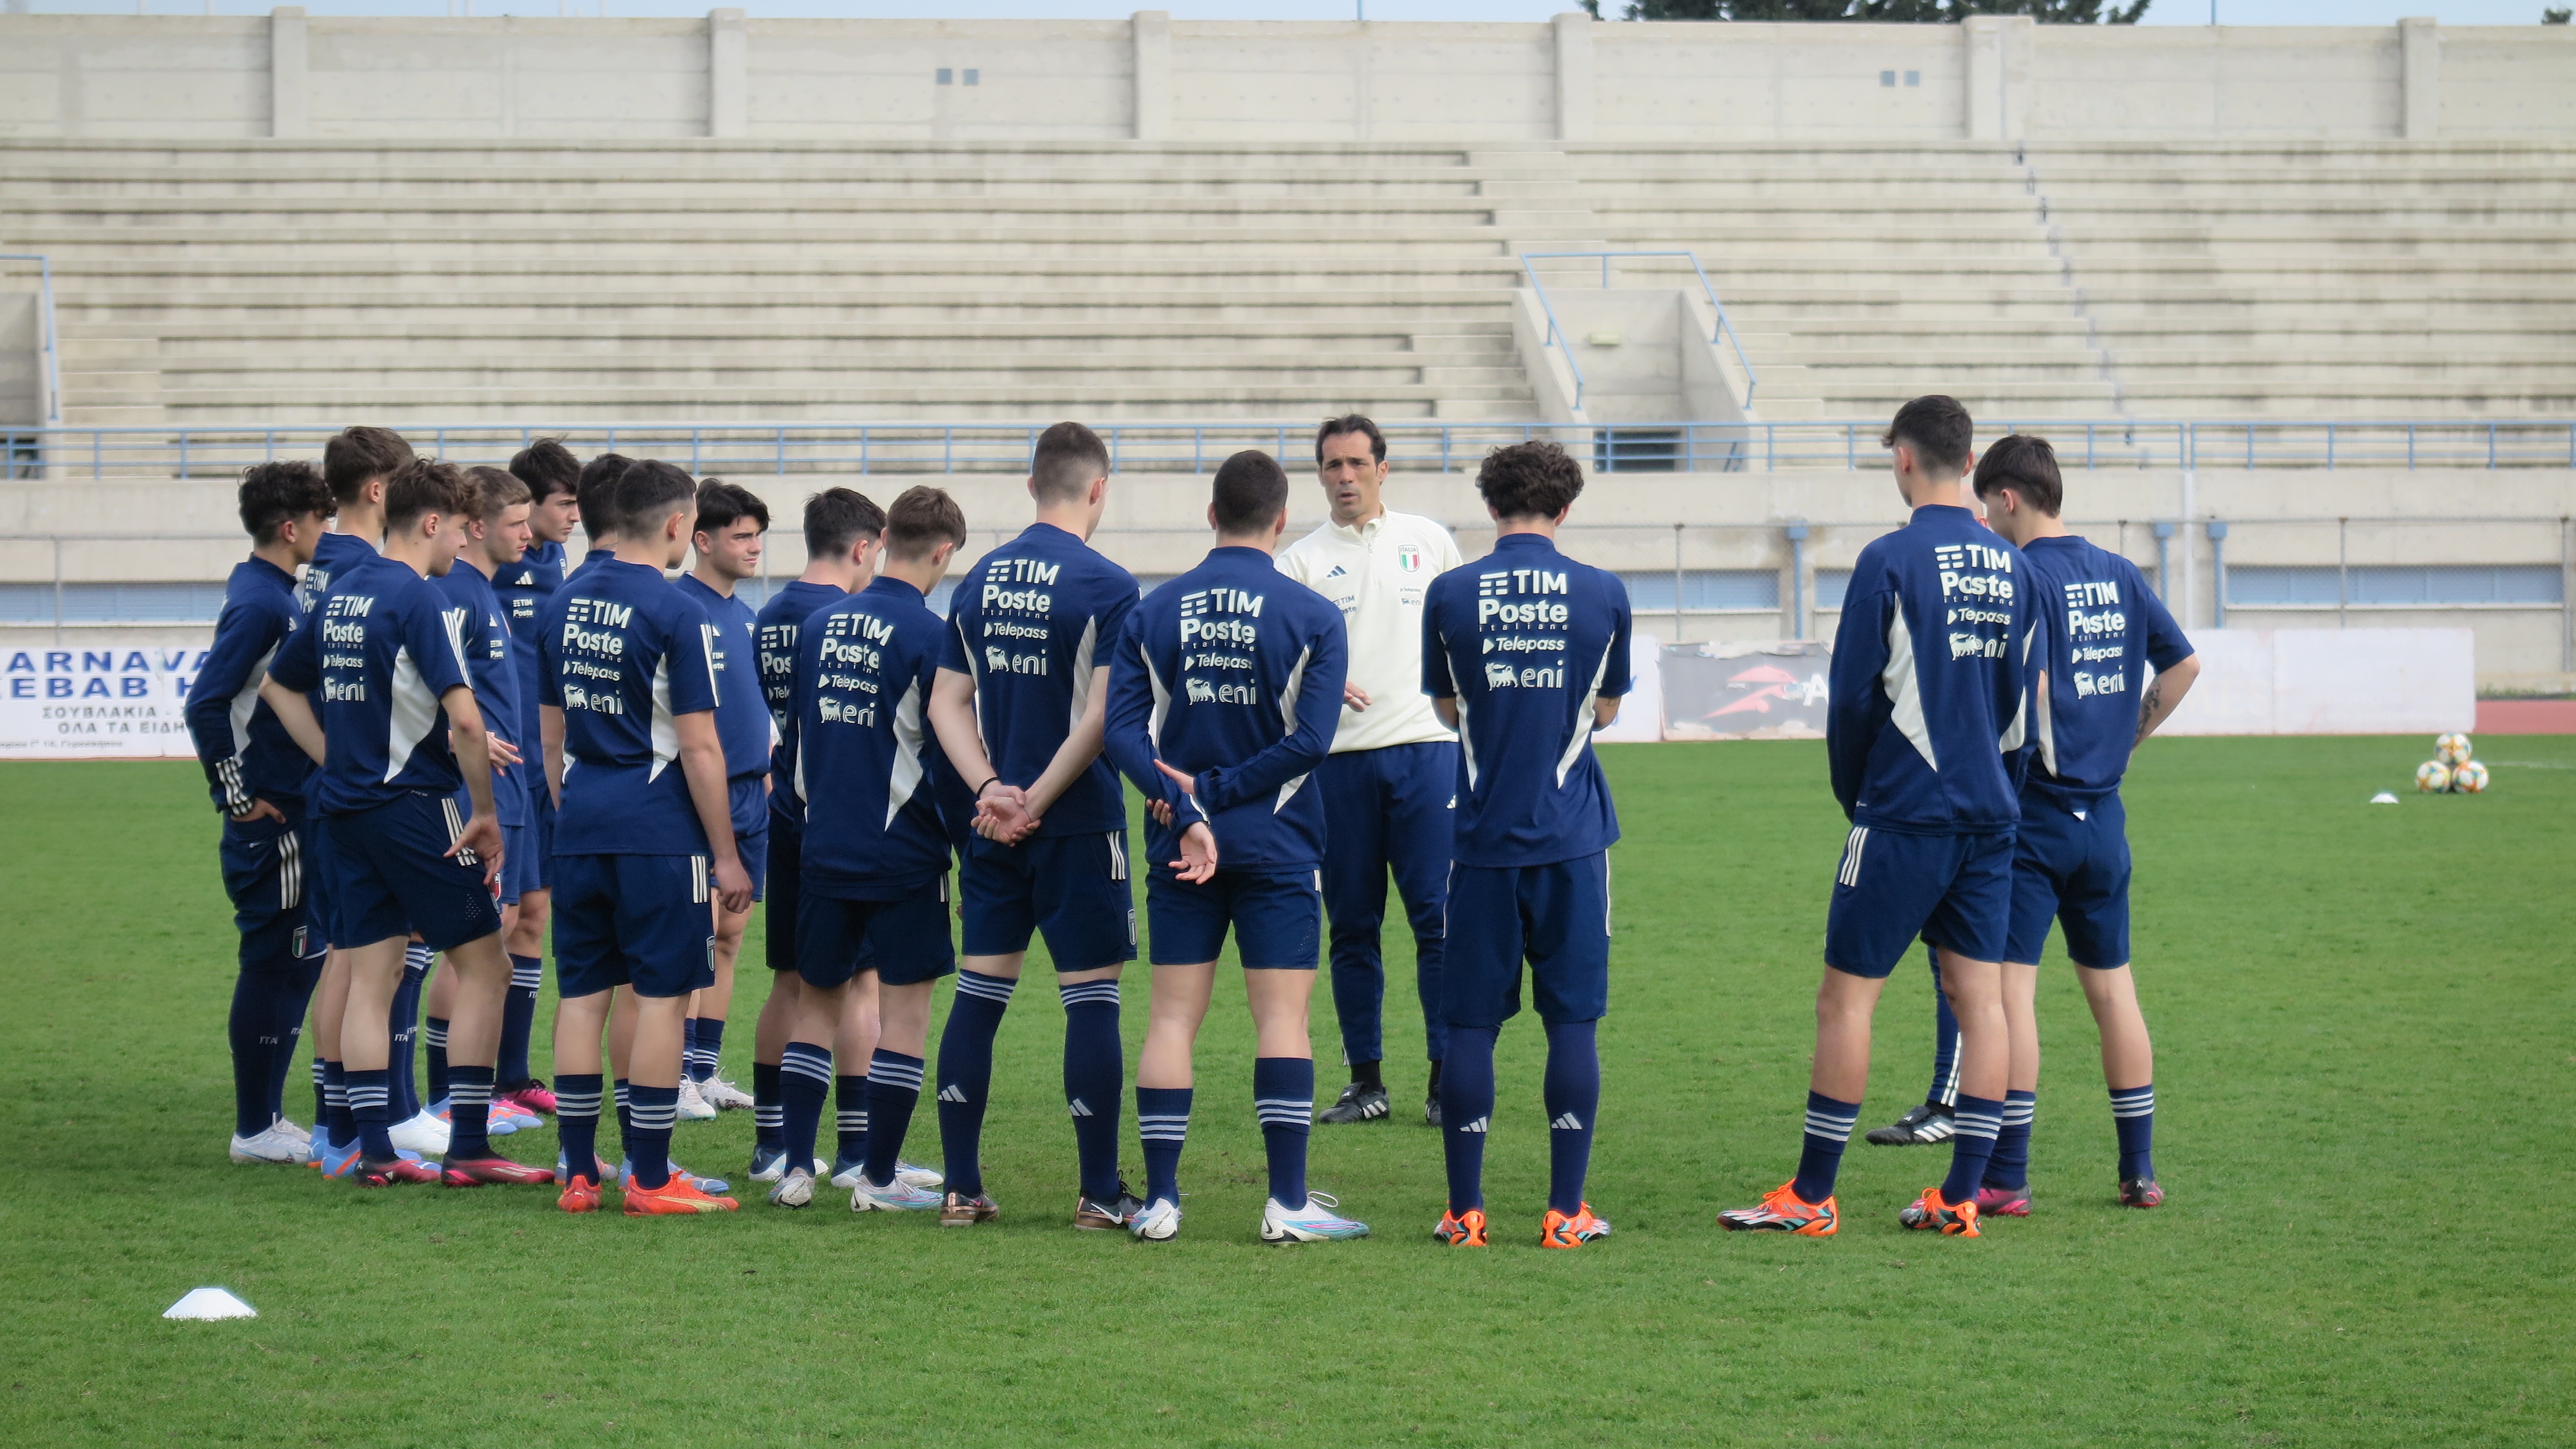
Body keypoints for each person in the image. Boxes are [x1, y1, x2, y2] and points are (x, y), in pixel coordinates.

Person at [1720, 395, 2040, 1240]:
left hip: (1903, 813)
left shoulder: (1889, 559)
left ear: (1903, 458)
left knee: (1846, 1001)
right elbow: (2019, 715)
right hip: (1991, 817)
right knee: (1985, 1004)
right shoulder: (2016, 567)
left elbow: (1853, 700)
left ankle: (1815, 1194)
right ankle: (1962, 1193)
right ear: (1969, 462)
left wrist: (1858, 799)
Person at [1103, 450, 1367, 1245]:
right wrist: (1217, 795)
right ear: (1281, 522)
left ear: (1210, 515)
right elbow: (1314, 740)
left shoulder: (1153, 612)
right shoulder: (1314, 614)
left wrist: (1186, 805)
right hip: (1279, 843)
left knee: (1171, 1021)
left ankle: (1162, 1202)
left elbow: (1120, 732)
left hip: (1179, 843)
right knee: (1281, 1018)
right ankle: (1286, 1203)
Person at [261, 459, 543, 1189]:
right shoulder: (419, 598)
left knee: (371, 976)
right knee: (488, 965)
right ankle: (472, 1145)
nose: (463, 542)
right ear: (430, 523)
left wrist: (336, 759)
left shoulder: (344, 590)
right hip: (414, 808)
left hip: (343, 813)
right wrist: (484, 813)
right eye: (458, 528)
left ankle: (372, 1149)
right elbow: (466, 721)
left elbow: (278, 686)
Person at [1966, 434, 2197, 1212]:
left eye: (1985, 505)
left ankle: (2007, 1175)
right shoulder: (2121, 572)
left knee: (2010, 998)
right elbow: (2184, 667)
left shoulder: (2021, 575)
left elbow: (2015, 693)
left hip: (2036, 818)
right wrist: (2132, 732)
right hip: (2105, 819)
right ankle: (2139, 1172)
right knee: (2114, 994)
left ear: (2008, 498)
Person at [924, 421, 1142, 1229]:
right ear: (1097, 490)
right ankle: (1096, 1193)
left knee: (979, 996)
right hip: (1077, 823)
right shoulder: (1110, 586)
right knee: (1090, 1001)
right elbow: (1099, 716)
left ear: (1030, 487)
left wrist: (992, 789)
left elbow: (947, 701)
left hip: (993, 823)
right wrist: (1039, 798)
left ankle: (959, 1187)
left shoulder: (978, 579)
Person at [1419, 440, 1630, 1250]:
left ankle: (1466, 1213)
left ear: (1490, 504)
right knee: (1572, 1024)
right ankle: (1564, 1213)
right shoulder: (1604, 593)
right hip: (1574, 842)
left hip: (1478, 842)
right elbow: (1606, 708)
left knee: (1470, 1026)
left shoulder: (1449, 592)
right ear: (1567, 507)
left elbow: (1447, 708)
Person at [537, 458, 753, 1215]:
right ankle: (652, 1179)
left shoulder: (560, 603)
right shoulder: (676, 613)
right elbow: (699, 747)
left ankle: (578, 1173)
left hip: (583, 824)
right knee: (662, 999)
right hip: (659, 832)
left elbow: (550, 734)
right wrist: (726, 854)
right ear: (675, 526)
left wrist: (574, 808)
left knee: (582, 998)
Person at [768, 487, 965, 1215]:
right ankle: (876, 1179)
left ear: (884, 539)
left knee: (814, 1008)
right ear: (942, 552)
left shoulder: (820, 625)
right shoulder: (932, 636)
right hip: (903, 854)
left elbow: (793, 754)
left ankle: (796, 1168)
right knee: (902, 1015)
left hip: (821, 846)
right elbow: (942, 757)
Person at [1274, 414, 1463, 1128]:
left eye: (1356, 464)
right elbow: (1278, 667)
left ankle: (1446, 1080)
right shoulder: (1298, 563)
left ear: (1383, 469)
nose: (1344, 477)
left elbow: (1462, 637)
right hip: (1338, 766)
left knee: (1435, 922)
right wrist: (1317, 686)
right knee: (1352, 927)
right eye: (1331, 466)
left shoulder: (1430, 541)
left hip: (1426, 753)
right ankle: (1366, 1082)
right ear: (1318, 475)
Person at [185, 459, 334, 1165]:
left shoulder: (277, 591)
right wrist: (237, 800)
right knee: (275, 960)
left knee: (297, 960)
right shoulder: (262, 604)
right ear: (289, 527)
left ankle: (268, 1119)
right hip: (270, 821)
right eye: (318, 519)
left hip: (294, 811)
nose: (325, 530)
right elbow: (205, 701)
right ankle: (255, 1126)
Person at [745, 487, 888, 1186]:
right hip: (834, 815)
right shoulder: (841, 620)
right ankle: (856, 1151)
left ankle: (772, 1140)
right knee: (860, 985)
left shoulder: (769, 615)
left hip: (779, 816)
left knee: (788, 981)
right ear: (862, 548)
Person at [292, 425, 414, 1172]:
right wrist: (340, 757)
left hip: (333, 791)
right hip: (354, 793)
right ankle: (340, 1127)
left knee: (351, 958)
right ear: (378, 490)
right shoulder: (358, 570)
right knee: (355, 961)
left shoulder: (318, 565)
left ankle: (337, 1125)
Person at [419, 468, 543, 1143]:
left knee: (502, 931)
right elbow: (413, 686)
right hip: (477, 793)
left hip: (511, 791)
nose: (528, 534)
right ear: (476, 526)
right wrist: (453, 738)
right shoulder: (454, 595)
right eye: (516, 522)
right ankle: (447, 1097)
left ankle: (472, 1090)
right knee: (473, 946)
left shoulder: (483, 591)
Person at [487, 436, 584, 1118]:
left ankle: (513, 1077)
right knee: (490, 927)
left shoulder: (555, 562)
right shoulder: (490, 570)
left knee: (533, 917)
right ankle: (458, 1086)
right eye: (564, 504)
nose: (572, 515)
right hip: (501, 767)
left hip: (543, 768)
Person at [673, 479, 773, 1120]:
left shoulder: (745, 614)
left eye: (758, 534)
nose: (754, 545)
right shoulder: (679, 607)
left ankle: (705, 1072)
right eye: (740, 534)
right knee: (694, 935)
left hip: (751, 792)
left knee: (731, 936)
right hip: (697, 797)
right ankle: (675, 1072)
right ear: (701, 539)